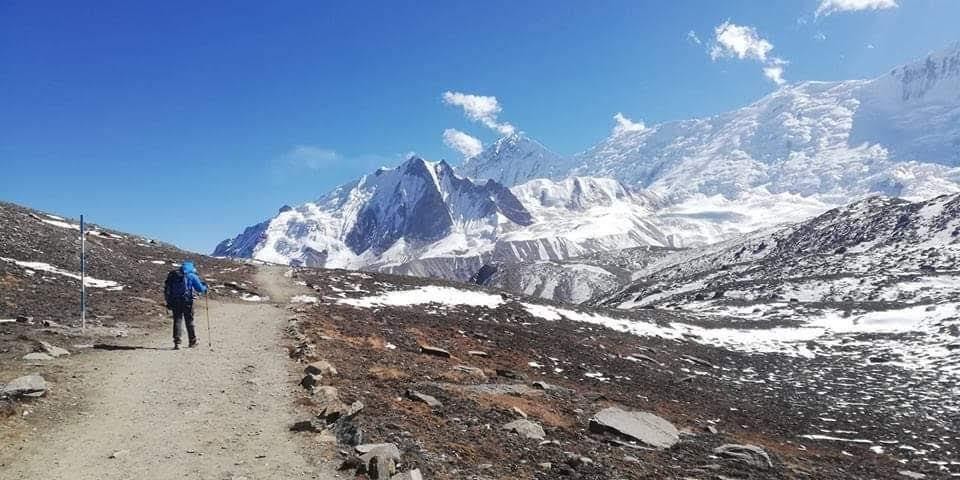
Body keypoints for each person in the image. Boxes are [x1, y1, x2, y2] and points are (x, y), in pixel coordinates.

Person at [163, 260, 208, 349]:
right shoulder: (191, 275)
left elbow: (168, 288)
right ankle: (192, 341)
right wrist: (205, 287)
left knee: (177, 320)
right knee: (189, 321)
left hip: (175, 301)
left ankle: (177, 342)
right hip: (187, 301)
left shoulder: (174, 275)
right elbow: (199, 289)